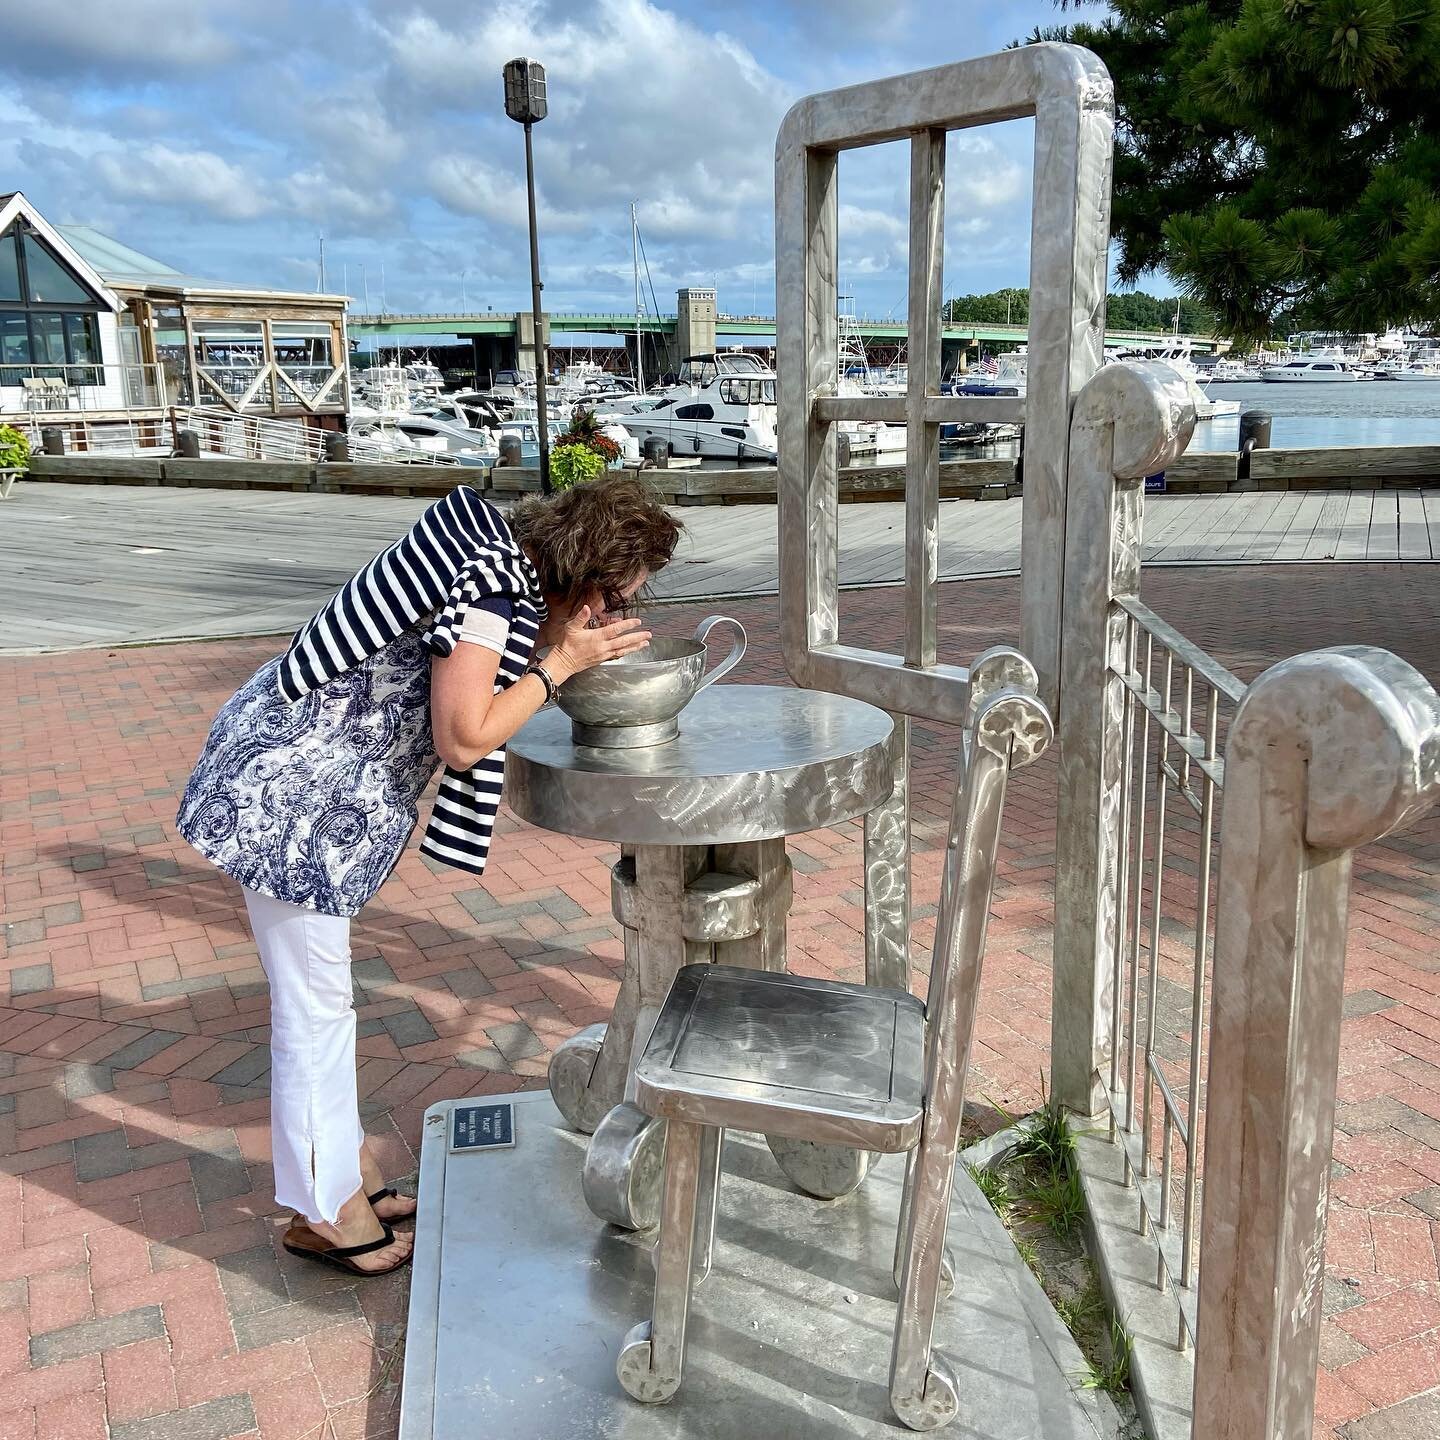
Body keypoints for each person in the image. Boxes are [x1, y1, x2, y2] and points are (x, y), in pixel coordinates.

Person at [177, 476, 681, 1275]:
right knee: (313, 1013)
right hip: (288, 798)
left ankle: (345, 1174)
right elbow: (463, 735)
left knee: (323, 1003)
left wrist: (558, 647)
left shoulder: (495, 559)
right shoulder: (490, 592)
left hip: (297, 784)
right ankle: (322, 1213)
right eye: (613, 600)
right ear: (583, 572)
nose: (609, 618)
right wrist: (562, 663)